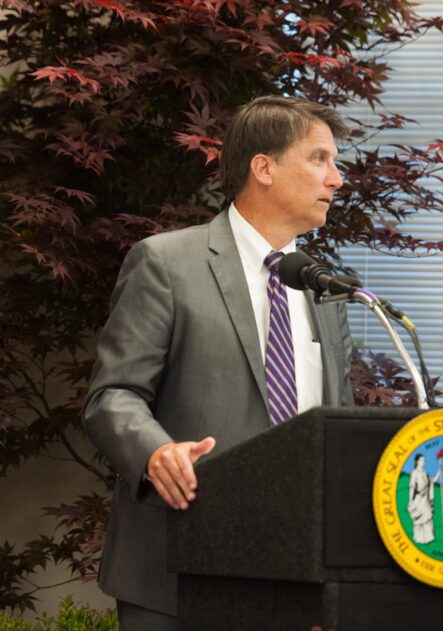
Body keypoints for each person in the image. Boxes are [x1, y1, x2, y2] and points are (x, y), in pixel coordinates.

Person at [82, 95, 355, 629]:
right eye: (320, 159)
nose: (337, 179)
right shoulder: (166, 263)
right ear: (264, 168)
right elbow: (111, 396)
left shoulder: (322, 286)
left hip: (294, 572)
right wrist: (156, 451)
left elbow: (336, 421)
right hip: (178, 569)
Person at [407, 454, 443, 544]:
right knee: (419, 520)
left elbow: (433, 481)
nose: (423, 462)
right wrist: (411, 501)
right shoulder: (414, 473)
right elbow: (412, 487)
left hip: (425, 500)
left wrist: (439, 471)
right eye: (421, 460)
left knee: (428, 518)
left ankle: (429, 538)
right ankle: (419, 539)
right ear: (417, 461)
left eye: (424, 460)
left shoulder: (425, 473)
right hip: (418, 499)